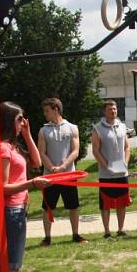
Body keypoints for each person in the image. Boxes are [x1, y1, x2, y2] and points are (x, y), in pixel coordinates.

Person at [0, 101, 51, 272]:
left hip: (19, 209)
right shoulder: (2, 148)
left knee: (14, 265)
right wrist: (31, 183)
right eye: (20, 119)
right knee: (12, 266)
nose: (24, 122)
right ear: (9, 120)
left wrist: (28, 134)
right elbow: (1, 187)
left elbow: (37, 163)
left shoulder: (12, 146)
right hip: (11, 210)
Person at [37, 97, 87, 245]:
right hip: (49, 177)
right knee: (47, 207)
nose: (45, 114)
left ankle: (76, 235)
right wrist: (52, 168)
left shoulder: (72, 127)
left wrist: (64, 166)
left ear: (56, 110)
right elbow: (41, 152)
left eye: (47, 110)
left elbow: (75, 150)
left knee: (73, 206)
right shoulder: (43, 130)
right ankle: (47, 238)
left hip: (69, 175)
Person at [91, 100, 132, 238]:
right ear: (104, 112)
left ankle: (121, 229)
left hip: (122, 172)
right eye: (110, 109)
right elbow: (95, 151)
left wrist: (125, 163)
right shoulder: (97, 128)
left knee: (122, 202)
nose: (113, 111)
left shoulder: (122, 126)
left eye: (114, 109)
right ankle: (107, 231)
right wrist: (106, 165)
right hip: (106, 174)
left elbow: (127, 147)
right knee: (105, 204)